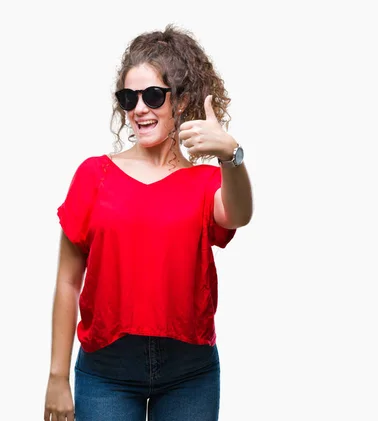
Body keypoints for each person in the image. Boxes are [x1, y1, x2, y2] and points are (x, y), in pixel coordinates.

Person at [43, 24, 253, 421]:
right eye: (129, 97)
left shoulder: (206, 182)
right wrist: (57, 377)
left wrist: (232, 155)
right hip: (106, 372)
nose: (139, 108)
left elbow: (240, 214)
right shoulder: (94, 176)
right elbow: (67, 281)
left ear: (181, 101)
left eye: (153, 95)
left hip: (189, 372)